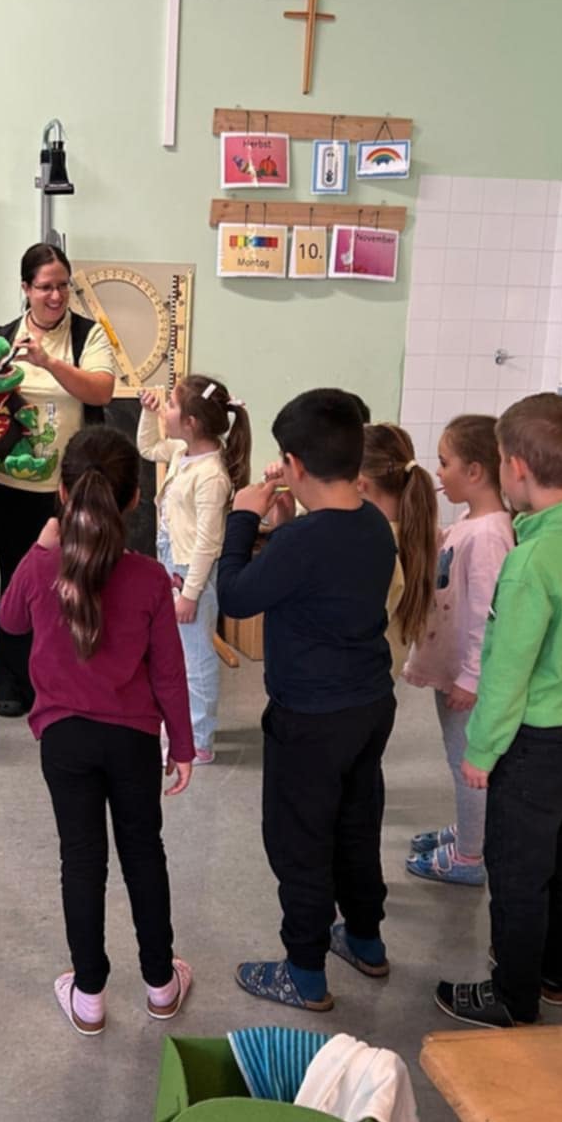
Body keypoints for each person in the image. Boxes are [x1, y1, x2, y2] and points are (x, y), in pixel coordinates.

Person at [435, 393, 562, 1028]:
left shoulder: (528, 564)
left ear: (514, 468)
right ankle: (551, 977)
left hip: (537, 739)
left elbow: (507, 670)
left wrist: (481, 750)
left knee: (518, 870)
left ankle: (512, 996)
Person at [0, 426, 195, 1036]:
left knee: (81, 860)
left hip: (64, 740)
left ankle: (88, 995)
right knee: (144, 854)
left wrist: (39, 549)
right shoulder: (149, 578)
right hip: (133, 740)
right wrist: (183, 745)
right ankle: (161, 985)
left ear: (62, 493)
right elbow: (169, 671)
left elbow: (9, 621)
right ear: (135, 498)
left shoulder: (42, 566)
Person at [218, 389, 398, 1012]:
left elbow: (236, 595)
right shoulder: (372, 522)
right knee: (356, 825)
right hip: (369, 705)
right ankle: (366, 940)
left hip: (309, 717)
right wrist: (290, 521)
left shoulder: (301, 542)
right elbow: (323, 574)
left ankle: (304, 972)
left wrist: (242, 518)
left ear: (293, 464)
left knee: (300, 840)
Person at [0, 243, 117, 719]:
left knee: (75, 585)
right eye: (45, 287)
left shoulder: (87, 334)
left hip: (70, 489)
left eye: (63, 286)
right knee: (16, 585)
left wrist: (48, 362)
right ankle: (12, 682)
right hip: (12, 487)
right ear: (25, 288)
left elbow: (101, 390)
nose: (56, 296)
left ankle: (65, 682)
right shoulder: (3, 337)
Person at [402, 415, 513, 887]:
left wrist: (471, 678)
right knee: (459, 760)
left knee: (468, 765)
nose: (438, 471)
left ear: (475, 471)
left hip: (467, 681)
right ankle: (473, 832)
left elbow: (488, 616)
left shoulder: (489, 535)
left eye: (445, 462)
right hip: (453, 671)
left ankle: (470, 856)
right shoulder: (472, 524)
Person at [137, 374, 252, 763]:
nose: (165, 410)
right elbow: (148, 446)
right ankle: (186, 724)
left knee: (197, 655)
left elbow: (208, 543)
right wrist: (148, 412)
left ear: (191, 422)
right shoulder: (182, 452)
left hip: (191, 571)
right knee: (179, 652)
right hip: (173, 561)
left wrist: (189, 594)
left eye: (171, 405)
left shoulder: (212, 475)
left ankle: (200, 739)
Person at [355, 423, 438, 680]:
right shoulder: (417, 531)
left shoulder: (372, 543)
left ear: (359, 484)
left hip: (360, 675)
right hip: (385, 668)